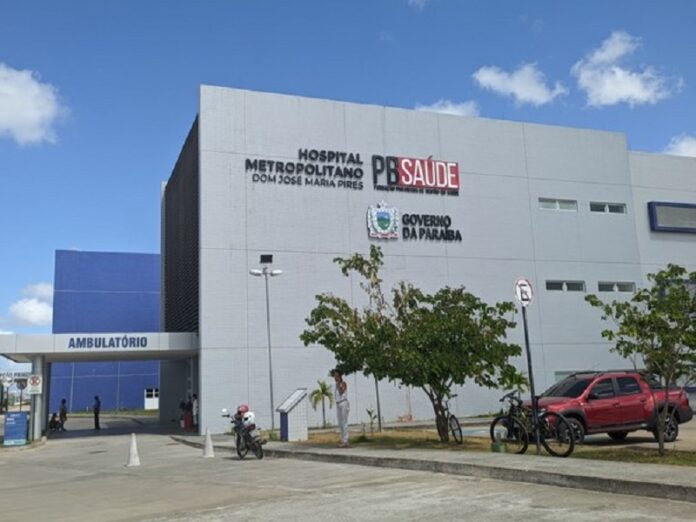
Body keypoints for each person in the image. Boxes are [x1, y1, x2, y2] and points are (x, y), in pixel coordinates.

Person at [332, 370, 350, 447]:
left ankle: (345, 441)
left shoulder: (343, 383)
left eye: (336, 376)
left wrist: (339, 384)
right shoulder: (336, 385)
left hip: (343, 403)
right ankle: (342, 440)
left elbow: (341, 392)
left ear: (339, 376)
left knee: (344, 422)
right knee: (340, 423)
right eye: (334, 376)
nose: (335, 377)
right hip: (338, 403)